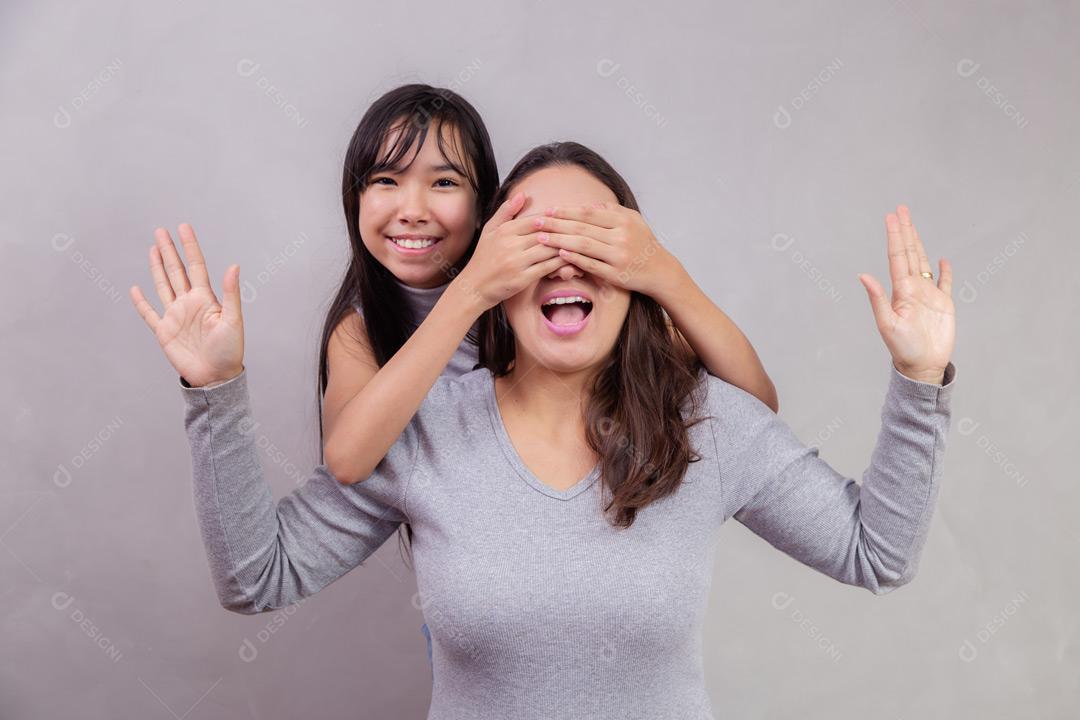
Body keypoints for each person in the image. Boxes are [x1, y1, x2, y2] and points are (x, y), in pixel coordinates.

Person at [130, 141, 957, 719]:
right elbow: (257, 578)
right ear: (494, 276)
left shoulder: (706, 423)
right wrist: (214, 391)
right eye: (533, 240)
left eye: (596, 240)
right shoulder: (424, 430)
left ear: (638, 274)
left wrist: (920, 377)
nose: (564, 260)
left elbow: (876, 552)